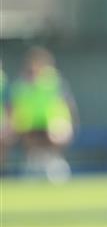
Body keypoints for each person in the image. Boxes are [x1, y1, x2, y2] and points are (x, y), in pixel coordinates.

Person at [10, 46, 78, 183]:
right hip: (29, 125)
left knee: (56, 134)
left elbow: (68, 105)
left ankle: (55, 166)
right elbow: (15, 108)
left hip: (53, 124)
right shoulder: (22, 85)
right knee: (28, 138)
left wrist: (69, 124)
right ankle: (35, 165)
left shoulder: (54, 82)